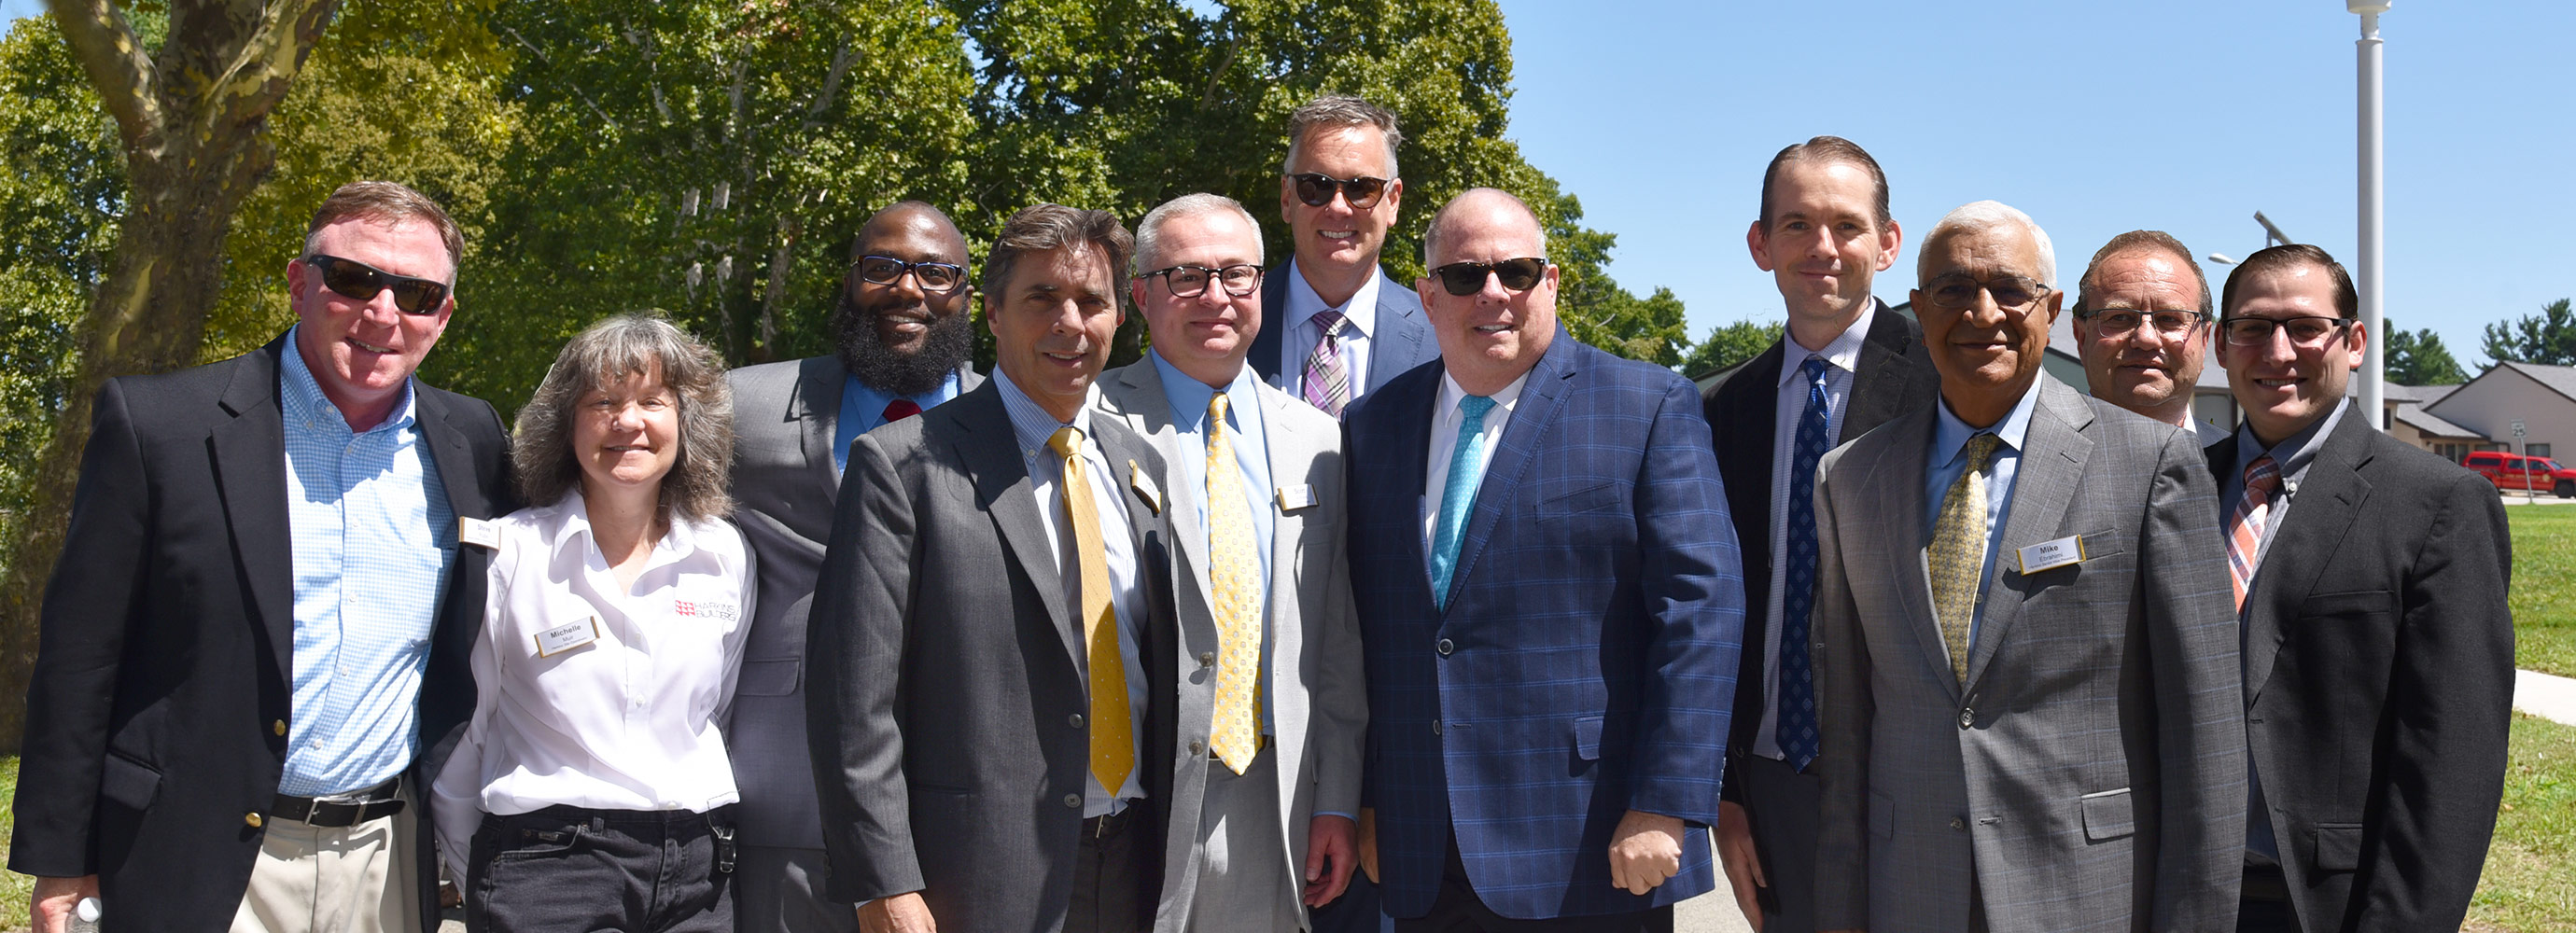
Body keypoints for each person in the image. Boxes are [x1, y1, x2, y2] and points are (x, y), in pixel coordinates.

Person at [10, 181, 515, 933]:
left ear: (442, 316)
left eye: (414, 292)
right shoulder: (159, 427)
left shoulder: (473, 441)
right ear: (297, 283)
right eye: (353, 279)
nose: (383, 311)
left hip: (386, 862)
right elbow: (81, 659)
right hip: (190, 854)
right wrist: (61, 861)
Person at [1811, 201, 2246, 933]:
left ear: (2050, 309)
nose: (1982, 313)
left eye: (2010, 290)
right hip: (1907, 889)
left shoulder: (2149, 465)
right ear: (1918, 309)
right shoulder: (1848, 477)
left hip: (2089, 892)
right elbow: (1849, 722)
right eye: (1952, 290)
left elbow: (2206, 735)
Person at [1343, 188, 1743, 931]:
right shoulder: (1373, 425)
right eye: (1464, 276)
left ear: (1550, 282)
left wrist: (1665, 801)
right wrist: (1369, 797)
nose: (1492, 293)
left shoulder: (1647, 405)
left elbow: (1701, 610)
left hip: (1593, 841)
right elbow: (1369, 630)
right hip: (1421, 848)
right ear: (1429, 298)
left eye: (1516, 272)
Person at [805, 203, 1184, 933]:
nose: (1069, 323)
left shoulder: (1141, 466)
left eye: (1091, 301)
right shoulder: (903, 464)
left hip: (1135, 864)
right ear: (993, 315)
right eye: (1042, 298)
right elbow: (853, 699)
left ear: (1117, 319)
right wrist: (882, 881)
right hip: (971, 879)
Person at [2208, 244, 2513, 933]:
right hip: (2176, 892)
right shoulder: (2180, 490)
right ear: (2222, 346)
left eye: (2306, 328)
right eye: (2253, 327)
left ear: (2354, 342)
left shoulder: (2439, 503)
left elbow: (2451, 759)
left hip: (2323, 906)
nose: (2278, 351)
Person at [1095, 193, 1367, 931]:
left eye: (1237, 276)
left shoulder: (1322, 441)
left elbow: (1338, 638)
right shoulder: (1088, 422)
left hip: (1279, 800)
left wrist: (1337, 798)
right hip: (1137, 802)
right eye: (1186, 277)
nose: (1215, 297)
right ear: (1142, 296)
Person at [429, 313, 749, 932]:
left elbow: (718, 710)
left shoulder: (725, 555)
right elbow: (466, 733)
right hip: (550, 872)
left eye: (652, 401)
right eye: (603, 401)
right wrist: (495, 879)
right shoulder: (509, 555)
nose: (627, 422)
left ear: (685, 422)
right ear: (565, 426)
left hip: (699, 880)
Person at [723, 201, 984, 933]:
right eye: (883, 267)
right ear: (849, 282)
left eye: (936, 273)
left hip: (963, 807)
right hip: (788, 802)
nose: (908, 289)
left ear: (967, 297)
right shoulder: (743, 405)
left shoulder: (1010, 420)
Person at [1698, 135, 1937, 933]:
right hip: (1775, 786)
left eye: (1846, 225)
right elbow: (1713, 611)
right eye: (1796, 225)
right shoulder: (1717, 410)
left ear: (1889, 243)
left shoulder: (1947, 389)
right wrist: (1726, 791)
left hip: (1915, 779)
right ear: (1761, 245)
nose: (1823, 248)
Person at [1248, 94, 1438, 418]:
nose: (1337, 207)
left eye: (1361, 188)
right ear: (1286, 197)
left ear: (1392, 201)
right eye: (1315, 186)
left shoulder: (1442, 335)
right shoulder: (1228, 319)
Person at [2070, 230, 2231, 445]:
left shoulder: (2244, 470)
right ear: (2081, 338)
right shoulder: (2028, 462)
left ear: (2204, 341)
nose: (2146, 338)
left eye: (2169, 319)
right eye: (2120, 317)